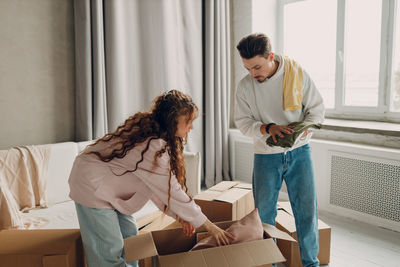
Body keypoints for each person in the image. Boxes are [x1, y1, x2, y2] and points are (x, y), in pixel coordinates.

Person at [69, 90, 234, 267]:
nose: (191, 127)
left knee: (130, 240)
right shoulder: (152, 146)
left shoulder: (156, 140)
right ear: (173, 120)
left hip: (107, 186)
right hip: (91, 185)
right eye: (188, 121)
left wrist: (181, 217)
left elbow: (155, 188)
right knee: (109, 254)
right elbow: (171, 190)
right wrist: (210, 226)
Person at [234, 33, 325, 267]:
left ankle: (310, 263)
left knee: (306, 212)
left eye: (257, 66)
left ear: (271, 56)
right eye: (247, 68)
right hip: (265, 156)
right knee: (264, 216)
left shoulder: (297, 73)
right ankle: (269, 263)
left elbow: (316, 110)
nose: (253, 74)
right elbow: (242, 123)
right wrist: (268, 128)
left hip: (300, 152)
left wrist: (302, 130)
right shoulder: (245, 87)